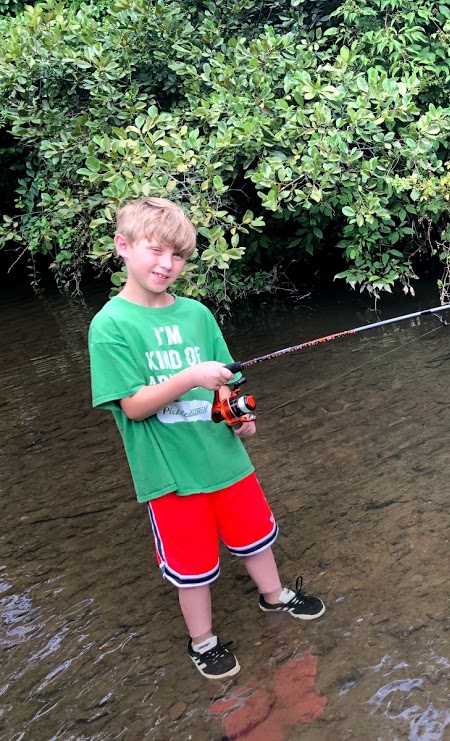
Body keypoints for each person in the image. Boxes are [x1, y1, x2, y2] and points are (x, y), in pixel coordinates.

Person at [88, 197, 324, 680]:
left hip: (227, 460)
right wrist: (189, 375)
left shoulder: (197, 314)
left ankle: (275, 595)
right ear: (123, 247)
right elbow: (132, 405)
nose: (166, 264)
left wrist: (239, 417)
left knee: (256, 538)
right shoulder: (109, 326)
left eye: (177, 256)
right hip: (172, 478)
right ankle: (203, 641)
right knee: (192, 566)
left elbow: (224, 384)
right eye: (156, 251)